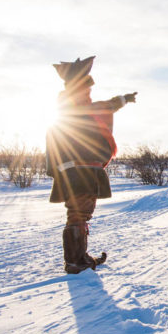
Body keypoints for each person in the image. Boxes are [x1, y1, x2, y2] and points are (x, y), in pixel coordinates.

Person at [46, 56, 137, 274]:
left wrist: (124, 99)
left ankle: (79, 256)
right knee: (79, 214)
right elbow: (108, 106)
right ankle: (76, 261)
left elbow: (108, 106)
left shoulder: (65, 109)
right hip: (82, 170)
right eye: (86, 88)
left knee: (78, 214)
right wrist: (124, 99)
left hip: (72, 170)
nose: (88, 93)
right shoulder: (79, 109)